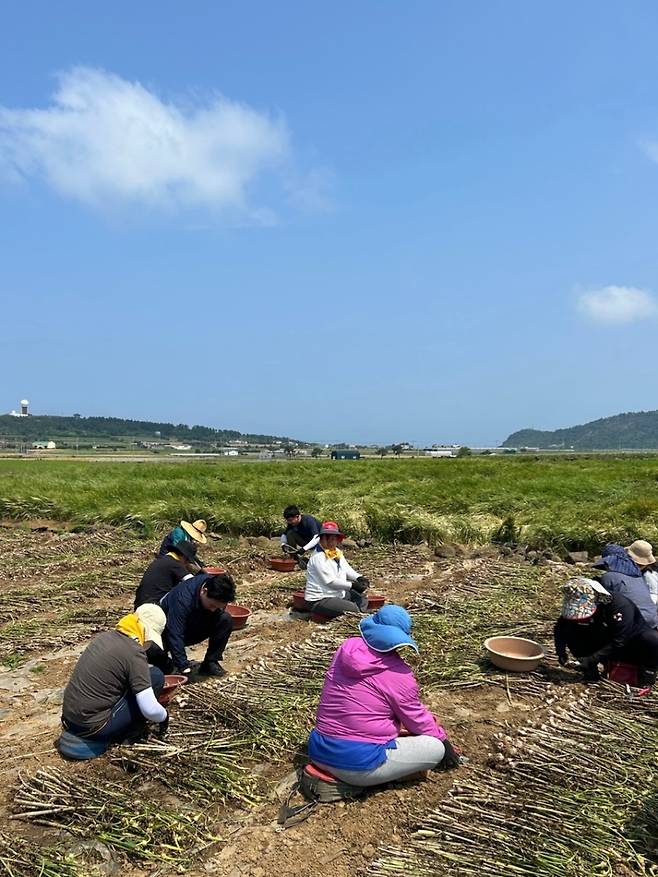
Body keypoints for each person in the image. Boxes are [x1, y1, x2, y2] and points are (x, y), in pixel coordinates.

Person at [307, 605, 460, 786]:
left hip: (318, 751)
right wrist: (443, 741)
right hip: (356, 765)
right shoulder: (398, 673)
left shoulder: (346, 648)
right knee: (434, 748)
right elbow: (415, 718)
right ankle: (363, 782)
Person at [59, 604, 168, 759]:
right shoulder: (133, 651)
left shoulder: (104, 637)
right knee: (156, 676)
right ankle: (131, 734)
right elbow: (149, 709)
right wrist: (164, 717)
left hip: (69, 720)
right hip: (93, 727)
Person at [554, 577, 658, 685]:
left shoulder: (619, 606)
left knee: (652, 639)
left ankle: (646, 676)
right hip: (603, 644)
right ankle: (590, 672)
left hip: (630, 647)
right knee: (573, 628)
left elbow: (620, 640)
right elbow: (561, 627)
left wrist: (591, 659)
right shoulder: (575, 609)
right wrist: (561, 651)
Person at [160, 572, 236, 679]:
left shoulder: (216, 588)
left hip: (196, 623)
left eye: (218, 607)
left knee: (225, 619)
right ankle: (170, 666)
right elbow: (174, 633)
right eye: (212, 605)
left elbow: (217, 609)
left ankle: (210, 662)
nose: (214, 609)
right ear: (204, 591)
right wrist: (184, 666)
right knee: (157, 653)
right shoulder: (182, 599)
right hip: (166, 631)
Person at [304, 521, 370, 618]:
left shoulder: (336, 552)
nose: (331, 542)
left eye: (334, 539)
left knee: (362, 598)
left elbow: (346, 568)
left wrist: (359, 578)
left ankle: (360, 615)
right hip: (321, 599)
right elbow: (330, 582)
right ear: (321, 539)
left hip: (337, 593)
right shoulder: (318, 557)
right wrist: (352, 585)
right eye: (328, 539)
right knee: (352, 609)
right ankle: (358, 615)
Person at [592, 542, 657, 628]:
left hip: (634, 623)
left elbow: (603, 602)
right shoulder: (638, 576)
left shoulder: (609, 577)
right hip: (653, 620)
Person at [135, 540, 200, 609]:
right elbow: (193, 583)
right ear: (183, 557)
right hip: (154, 605)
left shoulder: (163, 560)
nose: (187, 564)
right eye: (187, 561)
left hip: (141, 603)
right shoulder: (175, 564)